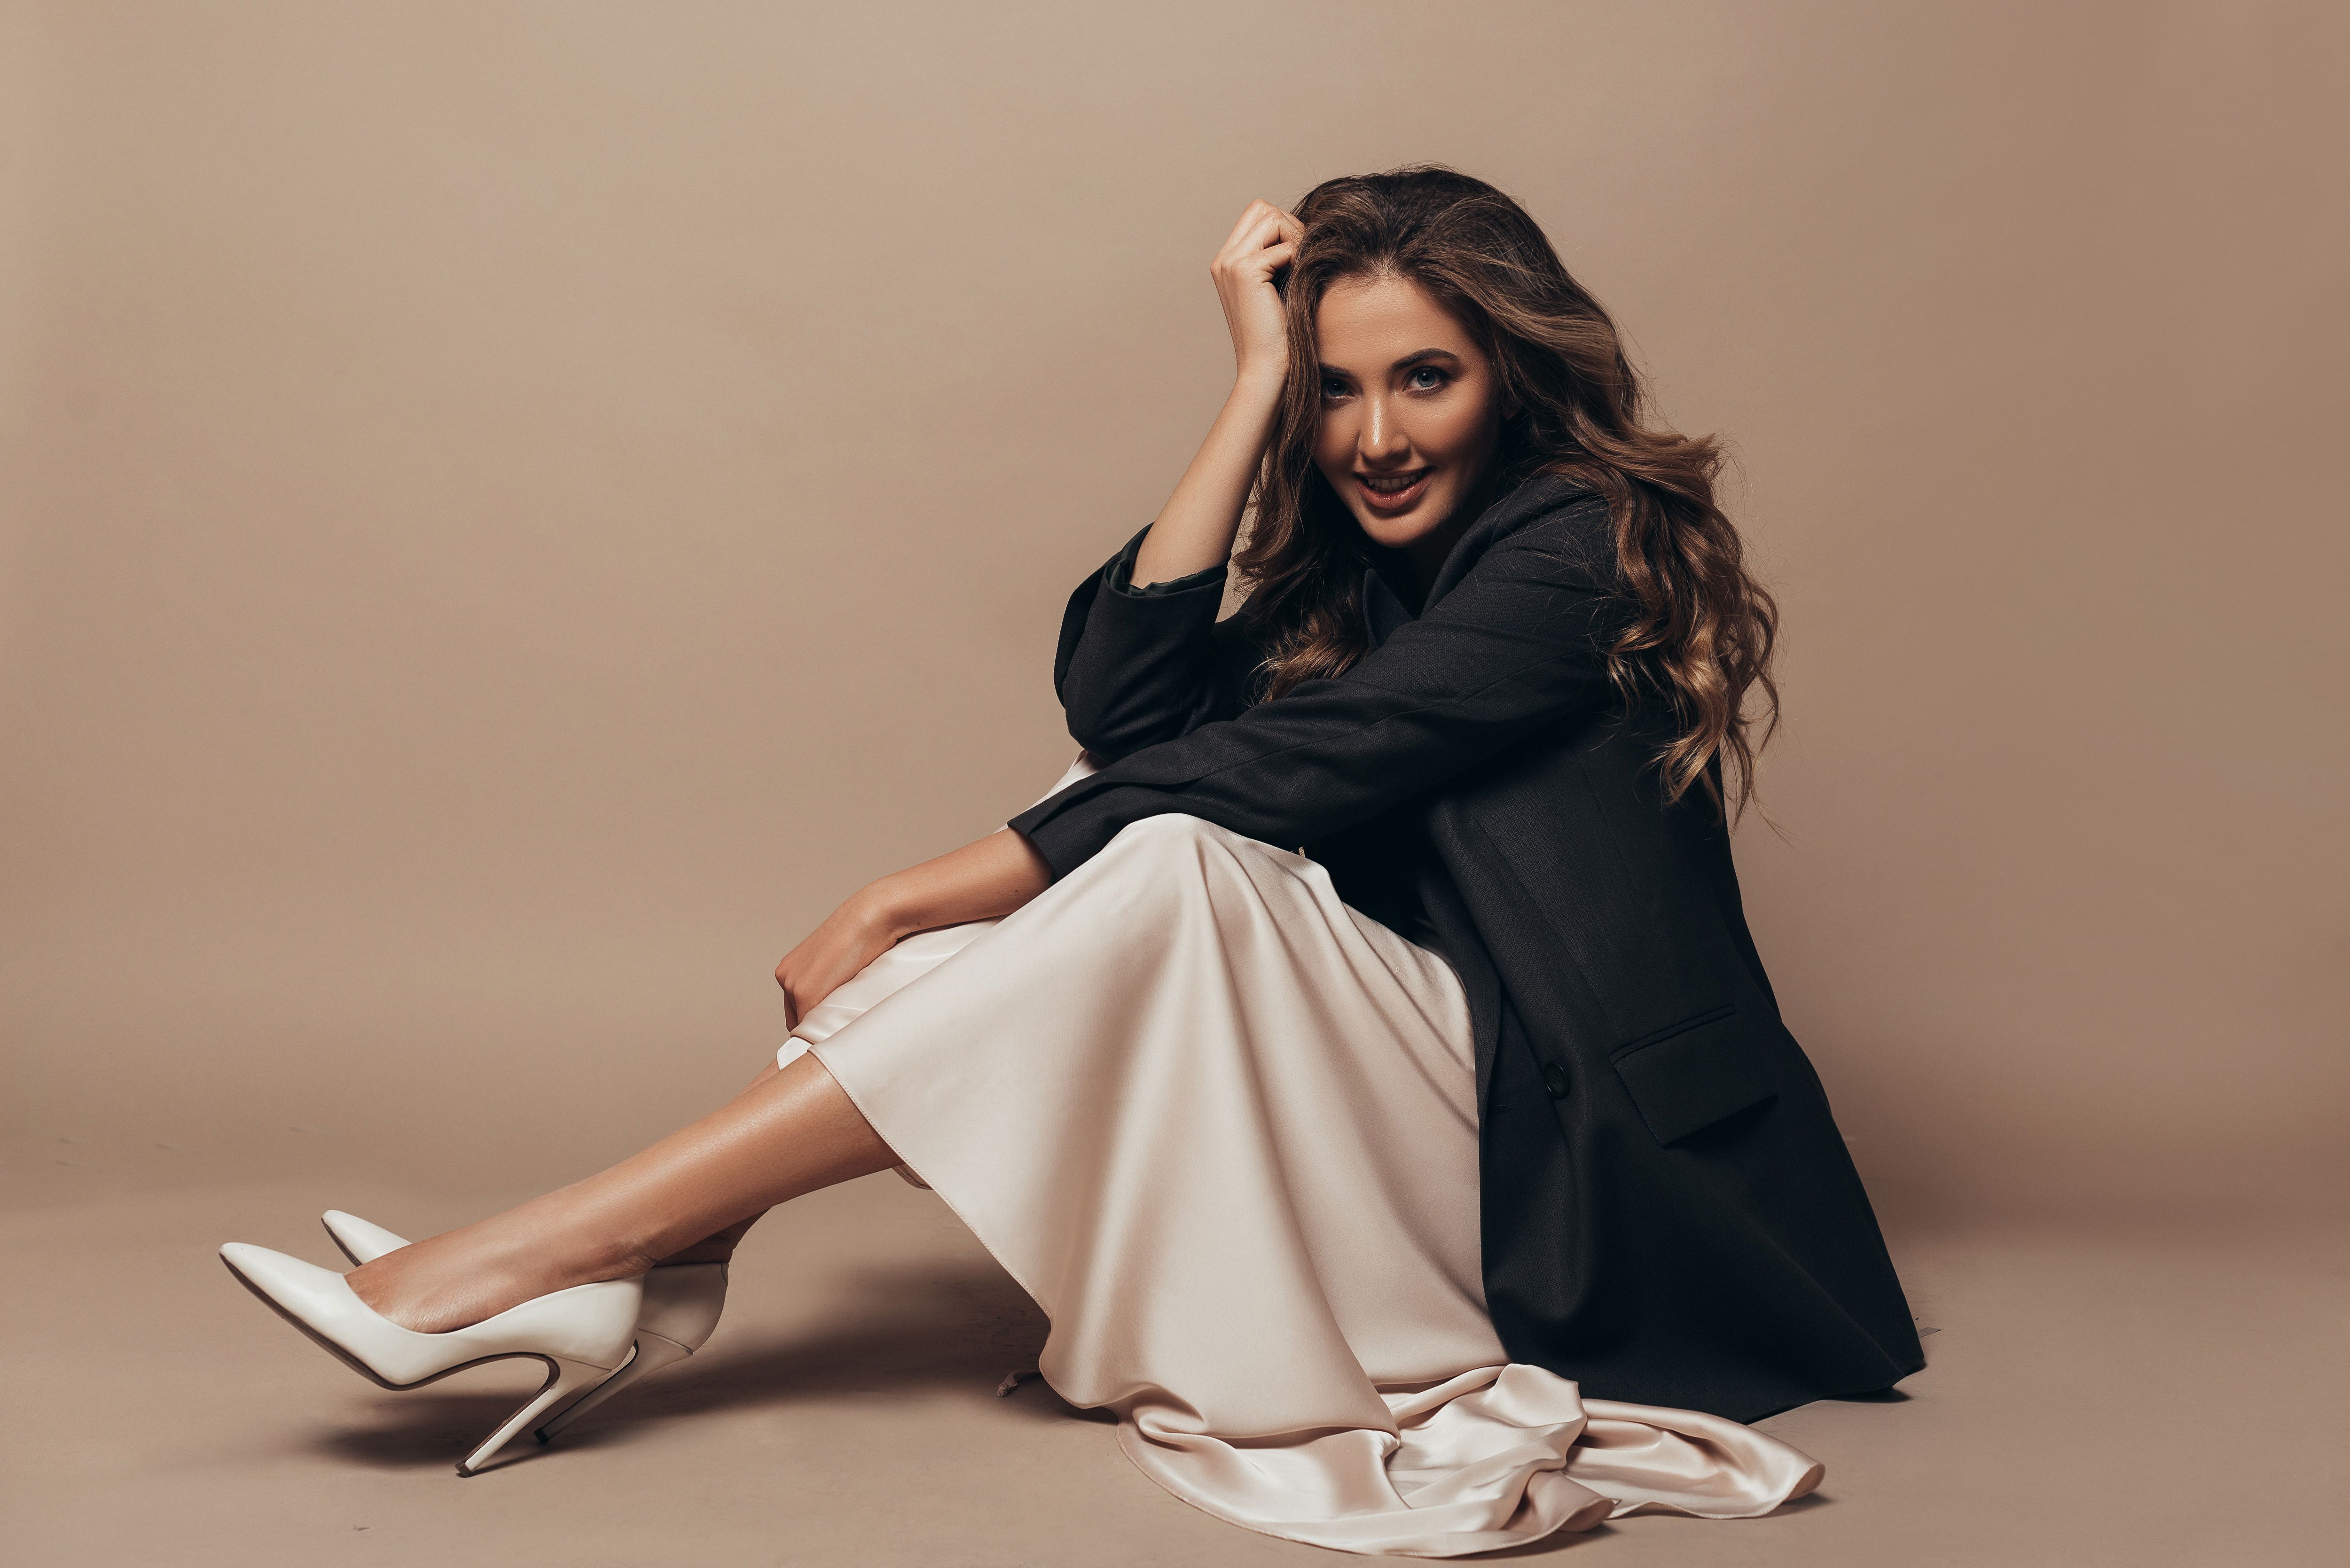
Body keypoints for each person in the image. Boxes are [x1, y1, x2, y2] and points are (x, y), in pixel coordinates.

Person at [220, 166, 1922, 1557]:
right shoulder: (1358, 574)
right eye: (1338, 387)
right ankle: (626, 1253)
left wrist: (906, 890)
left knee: (1175, 853)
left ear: (1515, 377)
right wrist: (1252, 387)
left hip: (1604, 1173)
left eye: (1427, 376)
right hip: (1455, 1098)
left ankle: (555, 1254)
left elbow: (1319, 756)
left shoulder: (1576, 543)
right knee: (1135, 816)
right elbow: (1127, 700)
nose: (1376, 435)